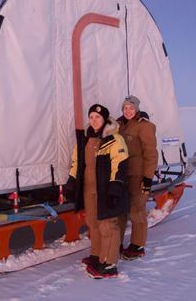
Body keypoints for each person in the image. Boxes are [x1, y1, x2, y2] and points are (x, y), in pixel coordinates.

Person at [67, 103, 129, 279]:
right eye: (92, 117)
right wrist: (71, 182)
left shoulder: (114, 139)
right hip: (89, 189)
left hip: (106, 189)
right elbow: (76, 162)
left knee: (108, 225)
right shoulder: (86, 139)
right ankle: (97, 255)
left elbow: (120, 164)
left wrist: (115, 188)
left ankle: (109, 264)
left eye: (98, 117)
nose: (94, 120)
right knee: (93, 223)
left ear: (105, 119)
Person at [117, 95, 157, 260]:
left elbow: (151, 154)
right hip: (121, 175)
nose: (128, 111)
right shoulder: (119, 125)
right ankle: (116, 243)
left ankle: (137, 245)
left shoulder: (144, 127)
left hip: (138, 175)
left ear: (137, 109)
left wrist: (148, 178)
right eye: (125, 108)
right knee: (119, 211)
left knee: (136, 210)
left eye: (131, 108)